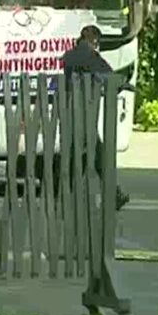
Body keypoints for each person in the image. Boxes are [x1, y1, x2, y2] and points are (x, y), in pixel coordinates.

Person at [60, 25, 128, 209]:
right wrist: (123, 84)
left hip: (70, 112)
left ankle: (112, 194)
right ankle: (65, 197)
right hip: (85, 113)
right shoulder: (90, 56)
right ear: (95, 41)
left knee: (88, 156)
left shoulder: (69, 56)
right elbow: (109, 76)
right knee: (90, 156)